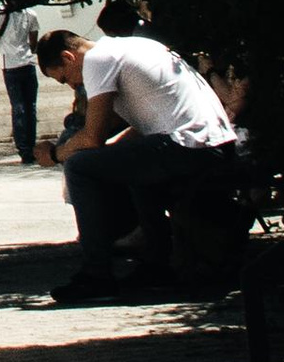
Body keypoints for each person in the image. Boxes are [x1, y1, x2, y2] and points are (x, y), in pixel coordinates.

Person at [37, 25, 241, 300]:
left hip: (192, 145)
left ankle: (97, 274)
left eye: (65, 79)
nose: (74, 87)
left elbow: (92, 137)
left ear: (68, 57)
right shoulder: (133, 46)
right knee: (128, 161)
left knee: (78, 166)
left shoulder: (97, 60)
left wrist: (54, 154)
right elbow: (149, 122)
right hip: (215, 142)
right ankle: (156, 264)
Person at [0, 4, 55, 165]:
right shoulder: (30, 14)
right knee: (29, 107)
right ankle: (28, 146)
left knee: (20, 108)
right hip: (26, 62)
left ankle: (25, 149)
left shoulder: (0, 14)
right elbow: (33, 41)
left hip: (11, 65)